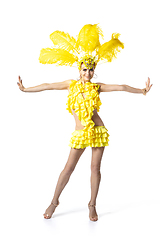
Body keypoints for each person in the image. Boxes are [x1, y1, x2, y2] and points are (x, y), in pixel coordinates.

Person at [17, 24, 152, 221]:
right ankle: (54, 202)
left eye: (91, 70)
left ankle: (92, 204)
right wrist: (25, 89)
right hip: (80, 134)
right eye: (84, 69)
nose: (87, 73)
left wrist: (142, 90)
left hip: (97, 130)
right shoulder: (69, 85)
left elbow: (121, 86)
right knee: (68, 168)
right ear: (79, 69)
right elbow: (47, 86)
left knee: (95, 169)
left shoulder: (97, 87)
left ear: (93, 71)